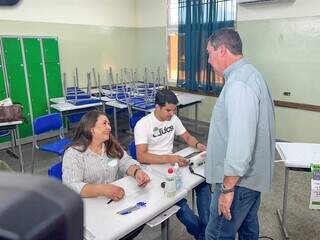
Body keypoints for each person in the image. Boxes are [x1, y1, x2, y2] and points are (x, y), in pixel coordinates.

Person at [204, 28, 275, 240]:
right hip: (251, 181)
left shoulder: (239, 84)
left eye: (209, 52)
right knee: (247, 230)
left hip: (238, 183)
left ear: (222, 50)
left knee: (217, 234)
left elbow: (241, 140)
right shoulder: (250, 75)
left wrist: (227, 190)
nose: (208, 60)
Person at [134, 89, 211, 240]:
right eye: (168, 110)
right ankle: (202, 234)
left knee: (203, 184)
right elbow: (141, 156)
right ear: (157, 107)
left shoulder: (173, 119)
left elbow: (187, 136)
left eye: (174, 110)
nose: (171, 113)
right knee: (179, 203)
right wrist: (170, 158)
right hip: (153, 170)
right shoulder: (143, 125)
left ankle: (207, 231)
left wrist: (198, 145)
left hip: (171, 164)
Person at [62, 110, 150, 200]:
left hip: (112, 200)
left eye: (109, 124)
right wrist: (102, 190)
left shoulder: (111, 145)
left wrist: (136, 172)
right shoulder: (74, 153)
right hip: (89, 203)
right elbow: (71, 186)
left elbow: (125, 161)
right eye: (104, 123)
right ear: (91, 129)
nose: (109, 127)